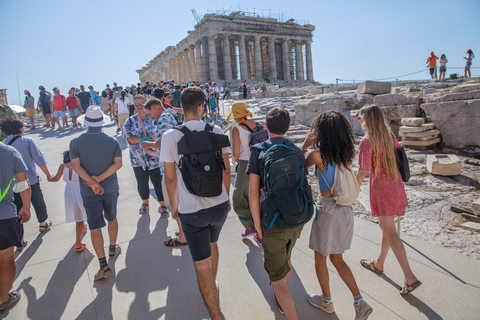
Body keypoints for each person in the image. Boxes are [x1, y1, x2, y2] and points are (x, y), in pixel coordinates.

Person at [160, 87, 231, 320]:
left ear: (182, 106)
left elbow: (169, 177)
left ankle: (215, 316)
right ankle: (214, 282)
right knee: (213, 243)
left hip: (192, 210)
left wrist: (174, 204)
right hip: (219, 204)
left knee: (201, 265)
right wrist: (226, 196)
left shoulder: (171, 136)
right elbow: (227, 170)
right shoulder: (216, 129)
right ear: (202, 107)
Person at [302, 112, 373, 320]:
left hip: (327, 210)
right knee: (338, 258)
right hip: (345, 210)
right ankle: (359, 300)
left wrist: (305, 145)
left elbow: (300, 167)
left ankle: (326, 301)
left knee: (319, 257)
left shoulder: (317, 155)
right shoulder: (345, 154)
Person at [356, 105, 421, 295]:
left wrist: (353, 191)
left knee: (390, 231)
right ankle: (379, 263)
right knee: (385, 227)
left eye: (360, 118)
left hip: (381, 188)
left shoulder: (367, 141)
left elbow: (362, 171)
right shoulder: (390, 136)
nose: (359, 121)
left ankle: (410, 278)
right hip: (394, 183)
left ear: (367, 119)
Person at [247, 107, 304, 320]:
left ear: (266, 126)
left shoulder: (257, 150)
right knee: (286, 258)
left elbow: (253, 194)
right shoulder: (296, 150)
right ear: (288, 128)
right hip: (296, 218)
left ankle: (288, 308)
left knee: (277, 282)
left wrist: (257, 226)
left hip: (272, 221)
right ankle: (282, 303)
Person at [69, 105, 122, 281]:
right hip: (110, 187)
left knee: (95, 225)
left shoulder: (75, 143)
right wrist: (99, 179)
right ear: (102, 123)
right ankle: (113, 248)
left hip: (88, 191)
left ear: (86, 123)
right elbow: (117, 164)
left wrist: (92, 182)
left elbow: (76, 167)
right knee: (112, 217)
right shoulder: (112, 141)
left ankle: (102, 264)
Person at [142, 97, 187, 245]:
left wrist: (149, 144)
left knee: (176, 203)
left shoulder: (164, 118)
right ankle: (183, 231)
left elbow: (164, 142)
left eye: (149, 113)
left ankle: (183, 237)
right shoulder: (172, 114)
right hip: (178, 163)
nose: (150, 117)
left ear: (154, 107)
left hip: (171, 167)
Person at [1, 116, 53, 237]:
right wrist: (48, 175)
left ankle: (20, 238)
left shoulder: (3, 144)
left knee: (18, 208)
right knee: (38, 201)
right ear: (19, 128)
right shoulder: (27, 141)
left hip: (12, 184)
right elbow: (39, 159)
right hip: (30, 180)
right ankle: (42, 223)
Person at [124, 95, 169, 216]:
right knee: (142, 182)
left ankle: (163, 205)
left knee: (158, 182)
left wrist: (151, 143)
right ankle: (145, 203)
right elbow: (129, 139)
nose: (139, 107)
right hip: (138, 159)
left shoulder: (154, 119)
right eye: (136, 104)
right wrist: (144, 139)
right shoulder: (130, 121)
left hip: (154, 158)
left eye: (142, 104)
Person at [0, 141, 31, 314]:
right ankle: (3, 298)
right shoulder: (9, 152)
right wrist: (25, 206)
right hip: (4, 215)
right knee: (5, 257)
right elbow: (23, 182)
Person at [226, 101, 259, 242]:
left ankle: (249, 226)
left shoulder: (236, 129)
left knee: (240, 198)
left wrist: (235, 158)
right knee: (257, 196)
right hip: (259, 162)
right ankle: (260, 229)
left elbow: (236, 154)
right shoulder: (257, 125)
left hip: (245, 164)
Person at [47, 151, 88, 252]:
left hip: (68, 192)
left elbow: (56, 179)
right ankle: (78, 243)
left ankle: (83, 227)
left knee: (78, 213)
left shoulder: (62, 166)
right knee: (80, 217)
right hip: (78, 190)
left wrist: (49, 178)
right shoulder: (77, 165)